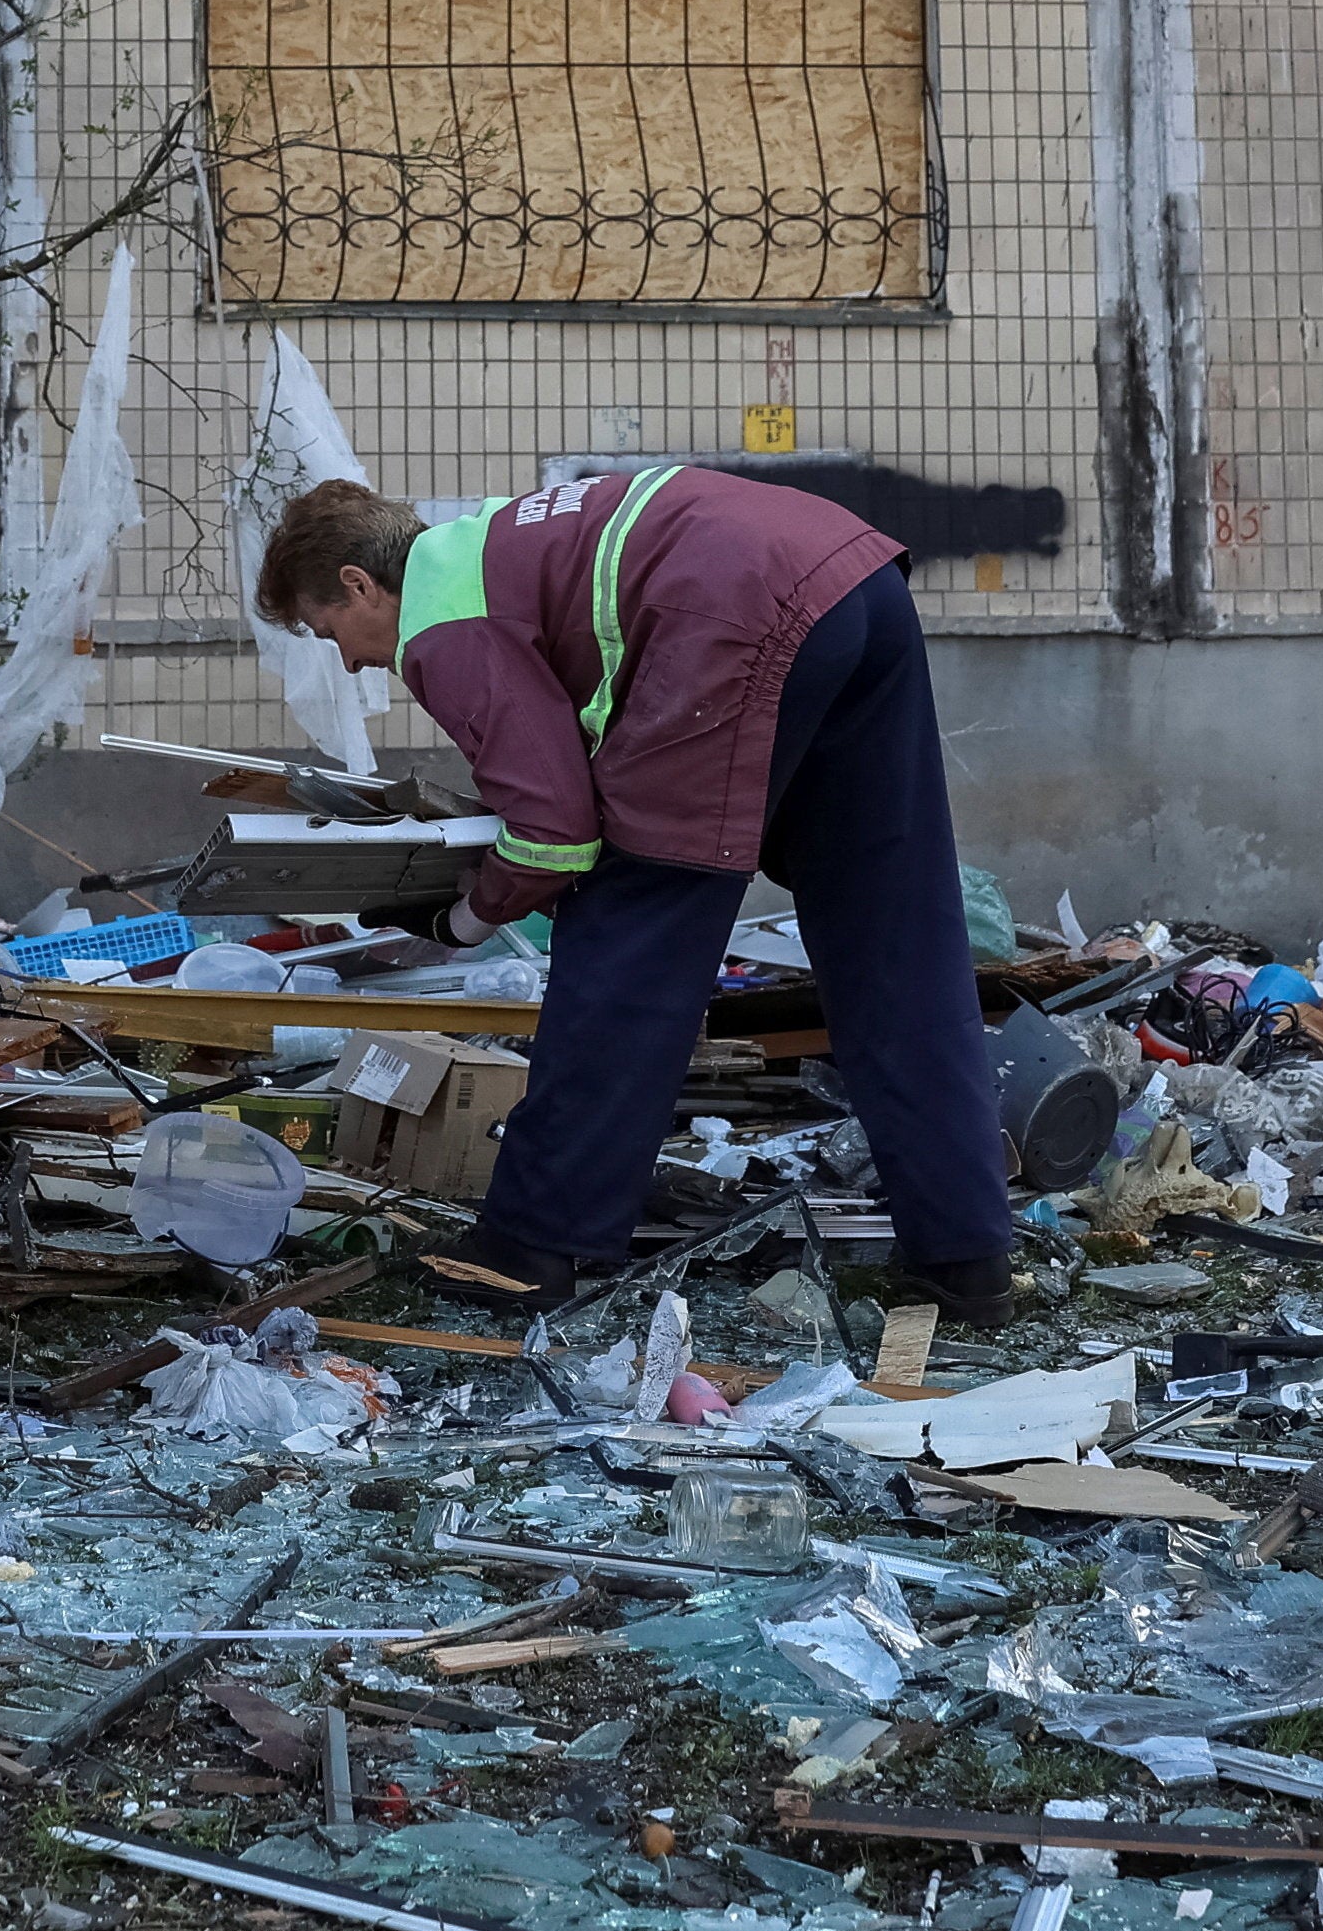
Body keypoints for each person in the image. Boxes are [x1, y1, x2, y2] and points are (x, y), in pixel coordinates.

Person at [252, 469, 1016, 1318]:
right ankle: (966, 1257)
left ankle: (532, 1246)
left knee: (631, 940)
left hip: (732, 606)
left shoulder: (442, 617)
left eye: (331, 633)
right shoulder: (505, 546)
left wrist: (460, 920)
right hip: (852, 574)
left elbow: (555, 833)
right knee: (892, 933)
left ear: (359, 583)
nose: (354, 661)